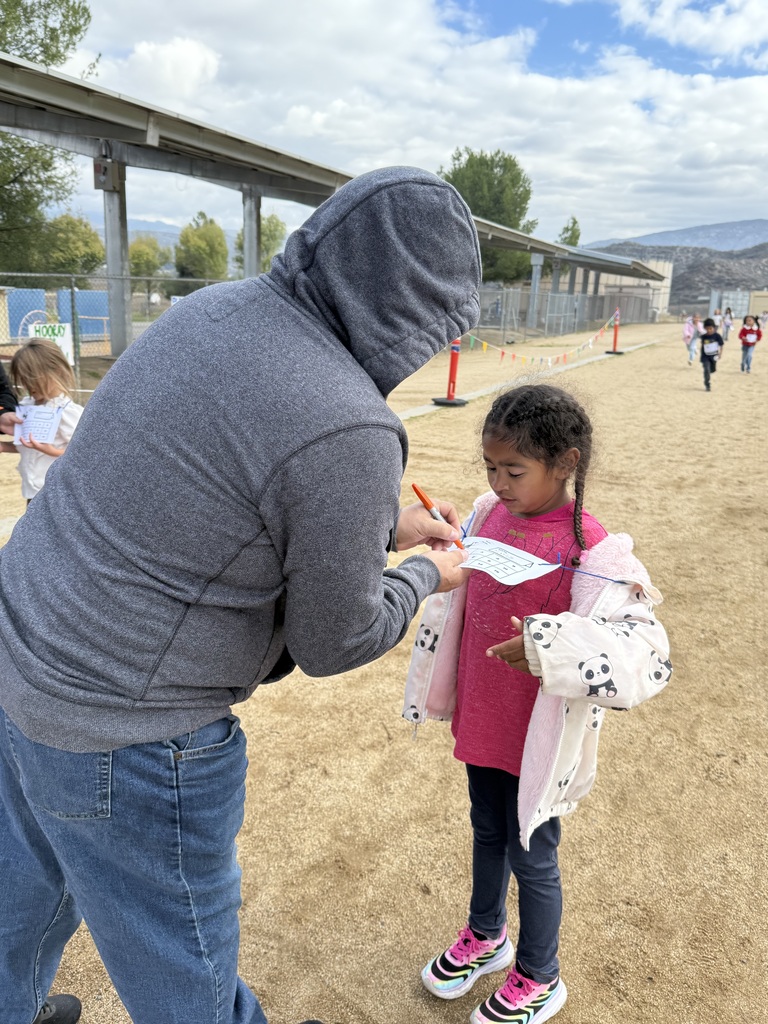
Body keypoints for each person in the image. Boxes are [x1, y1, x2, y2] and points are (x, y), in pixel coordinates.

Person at [0, 167, 482, 1024]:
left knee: (25, 887)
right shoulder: (350, 422)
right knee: (183, 975)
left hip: (24, 651)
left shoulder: (209, 312)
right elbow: (335, 638)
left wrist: (382, 527)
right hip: (128, 721)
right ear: (413, 310)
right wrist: (424, 573)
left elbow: (211, 498)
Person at [404, 383, 671, 1024]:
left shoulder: (594, 549)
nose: (499, 483)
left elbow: (641, 652)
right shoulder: (485, 515)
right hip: (484, 714)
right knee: (487, 829)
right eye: (490, 467)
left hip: (538, 734)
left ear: (566, 463)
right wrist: (449, 548)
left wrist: (552, 644)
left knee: (533, 853)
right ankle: (486, 934)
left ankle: (540, 974)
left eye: (515, 470)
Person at [0, 339, 84, 503]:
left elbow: (82, 454)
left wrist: (50, 451)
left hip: (59, 495)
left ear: (57, 371)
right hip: (32, 494)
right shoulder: (26, 406)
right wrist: (4, 446)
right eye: (23, 380)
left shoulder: (67, 412)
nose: (28, 386)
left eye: (33, 379)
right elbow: (27, 447)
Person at [699, 317, 724, 392]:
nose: (709, 330)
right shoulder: (704, 336)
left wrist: (720, 354)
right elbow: (702, 345)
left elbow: (721, 345)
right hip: (705, 356)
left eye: (710, 328)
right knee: (706, 369)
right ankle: (707, 384)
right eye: (707, 329)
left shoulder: (717, 336)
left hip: (714, 356)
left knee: (712, 370)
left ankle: (709, 372)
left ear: (714, 327)